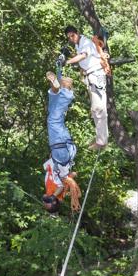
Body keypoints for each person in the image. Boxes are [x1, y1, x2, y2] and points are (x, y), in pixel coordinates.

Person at [63, 25, 109, 150]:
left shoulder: (86, 42)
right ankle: (100, 138)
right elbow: (84, 62)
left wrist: (67, 62)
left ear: (77, 33)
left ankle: (102, 141)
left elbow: (83, 56)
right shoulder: (78, 45)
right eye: (69, 37)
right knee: (95, 110)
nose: (71, 39)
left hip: (96, 75)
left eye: (72, 35)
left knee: (99, 108)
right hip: (91, 76)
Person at [42, 71, 81, 212]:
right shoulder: (57, 192)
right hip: (61, 155)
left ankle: (60, 88)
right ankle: (66, 93)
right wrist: (52, 196)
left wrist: (70, 175)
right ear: (53, 202)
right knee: (53, 120)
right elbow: (60, 185)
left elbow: (68, 175)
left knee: (54, 115)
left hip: (65, 152)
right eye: (47, 202)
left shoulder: (49, 186)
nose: (44, 199)